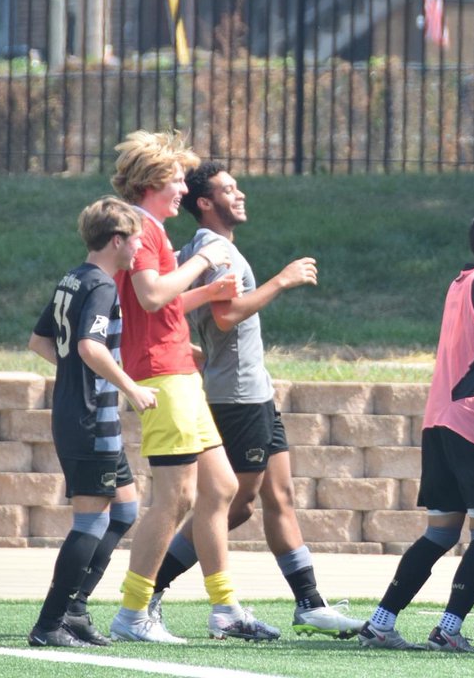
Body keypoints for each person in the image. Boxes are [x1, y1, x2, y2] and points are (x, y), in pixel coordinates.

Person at [145, 162, 363, 638]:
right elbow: (226, 316)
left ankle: (309, 603)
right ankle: (152, 590)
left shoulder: (212, 247)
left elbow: (192, 317)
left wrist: (193, 350)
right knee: (234, 503)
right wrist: (282, 280)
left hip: (255, 391)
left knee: (279, 496)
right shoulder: (212, 247)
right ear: (206, 203)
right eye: (228, 189)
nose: (239, 194)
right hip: (237, 397)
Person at [107, 130, 278, 643]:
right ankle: (133, 614)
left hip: (178, 368)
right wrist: (205, 261)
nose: (183, 186)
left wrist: (205, 289)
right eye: (177, 177)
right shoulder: (143, 226)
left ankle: (225, 608)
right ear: (153, 180)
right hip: (162, 373)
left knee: (222, 488)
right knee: (174, 497)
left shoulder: (153, 227)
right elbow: (153, 294)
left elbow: (159, 303)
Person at [359, 210, 474, 651]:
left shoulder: (459, 282)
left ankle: (381, 621)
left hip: (439, 421)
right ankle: (450, 629)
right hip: (473, 423)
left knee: (440, 533)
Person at [26, 197, 158, 648]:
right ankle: (49, 624)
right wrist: (131, 388)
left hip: (83, 413)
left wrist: (77, 378)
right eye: (136, 238)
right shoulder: (101, 285)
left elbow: (39, 340)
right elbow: (89, 346)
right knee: (89, 524)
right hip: (88, 420)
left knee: (124, 509)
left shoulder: (74, 278)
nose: (140, 246)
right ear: (117, 240)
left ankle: (76, 611)